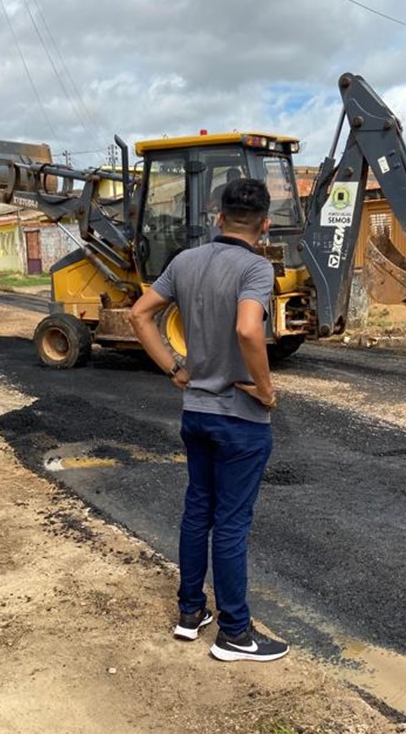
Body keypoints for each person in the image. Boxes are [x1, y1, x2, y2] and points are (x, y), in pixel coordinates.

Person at [129, 178, 288, 663]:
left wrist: (174, 368)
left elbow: (139, 316)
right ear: (265, 225)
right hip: (240, 420)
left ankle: (190, 612)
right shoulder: (256, 268)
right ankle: (235, 633)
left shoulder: (185, 261)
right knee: (232, 524)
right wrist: (265, 389)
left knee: (198, 512)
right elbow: (248, 329)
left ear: (219, 217)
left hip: (196, 412)